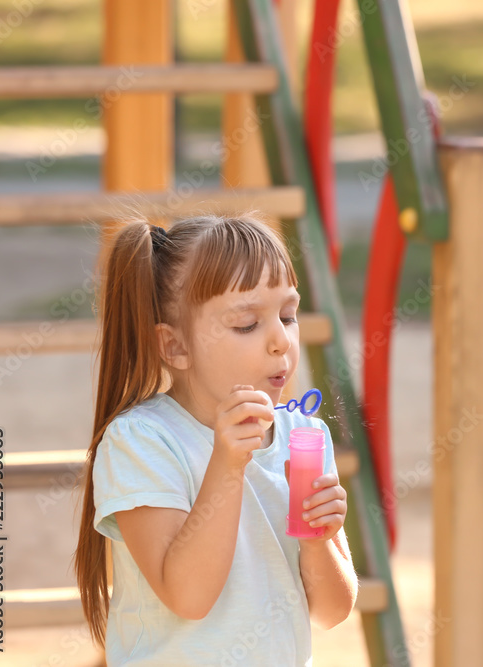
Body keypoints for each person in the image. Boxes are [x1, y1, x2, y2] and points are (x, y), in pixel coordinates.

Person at [74, 215, 357, 665]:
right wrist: (227, 464)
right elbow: (188, 597)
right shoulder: (142, 442)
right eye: (247, 324)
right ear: (175, 347)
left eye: (288, 314)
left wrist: (319, 540)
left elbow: (331, 612)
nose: (281, 340)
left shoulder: (304, 436)